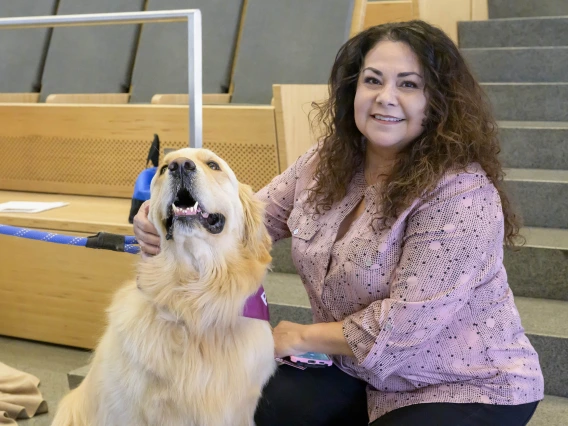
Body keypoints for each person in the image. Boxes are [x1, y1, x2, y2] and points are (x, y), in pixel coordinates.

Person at [133, 20, 543, 426]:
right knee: (251, 406)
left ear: (438, 102)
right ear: (353, 90)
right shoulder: (326, 160)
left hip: (463, 382)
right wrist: (170, 215)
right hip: (353, 368)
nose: (385, 97)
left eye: (408, 84)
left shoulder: (462, 192)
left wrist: (301, 336)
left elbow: (405, 324)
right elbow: (248, 221)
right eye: (373, 80)